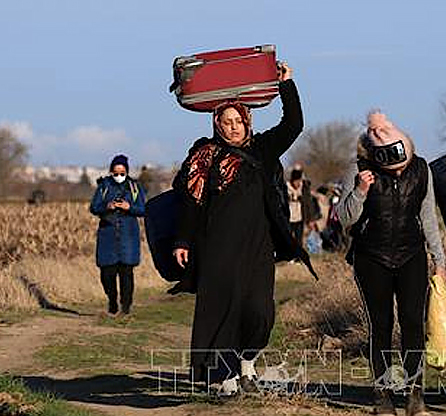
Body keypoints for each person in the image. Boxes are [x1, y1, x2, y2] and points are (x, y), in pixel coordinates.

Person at [171, 62, 317, 397]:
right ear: (217, 124)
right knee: (223, 311)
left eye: (239, 121)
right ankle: (225, 379)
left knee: (259, 313)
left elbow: (294, 124)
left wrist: (287, 85)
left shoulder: (262, 150)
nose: (234, 128)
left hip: (258, 248)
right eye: (227, 122)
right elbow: (191, 202)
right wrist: (183, 240)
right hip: (217, 248)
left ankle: (247, 362)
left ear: (247, 121)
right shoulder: (205, 156)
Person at [337, 111, 446, 416]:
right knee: (381, 325)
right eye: (375, 130)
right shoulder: (357, 170)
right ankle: (382, 396)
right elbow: (345, 220)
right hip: (372, 257)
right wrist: (360, 191)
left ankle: (415, 395)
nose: (381, 132)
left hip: (411, 254)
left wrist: (440, 260)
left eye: (386, 127)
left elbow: (428, 218)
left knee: (413, 323)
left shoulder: (422, 169)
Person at [89, 154, 147, 316]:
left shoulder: (135, 187)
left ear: (127, 172)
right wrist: (107, 206)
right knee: (107, 273)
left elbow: (143, 209)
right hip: (107, 235)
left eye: (122, 173)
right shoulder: (103, 187)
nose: (119, 176)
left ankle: (126, 306)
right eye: (116, 173)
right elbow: (94, 207)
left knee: (126, 273)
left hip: (128, 236)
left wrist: (129, 207)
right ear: (111, 172)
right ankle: (112, 299)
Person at [287, 166, 319, 248]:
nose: (297, 184)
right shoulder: (286, 187)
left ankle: (298, 256)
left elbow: (309, 204)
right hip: (289, 217)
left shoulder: (304, 187)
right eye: (295, 181)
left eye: (299, 181)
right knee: (288, 238)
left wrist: (311, 219)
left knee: (299, 239)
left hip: (299, 217)